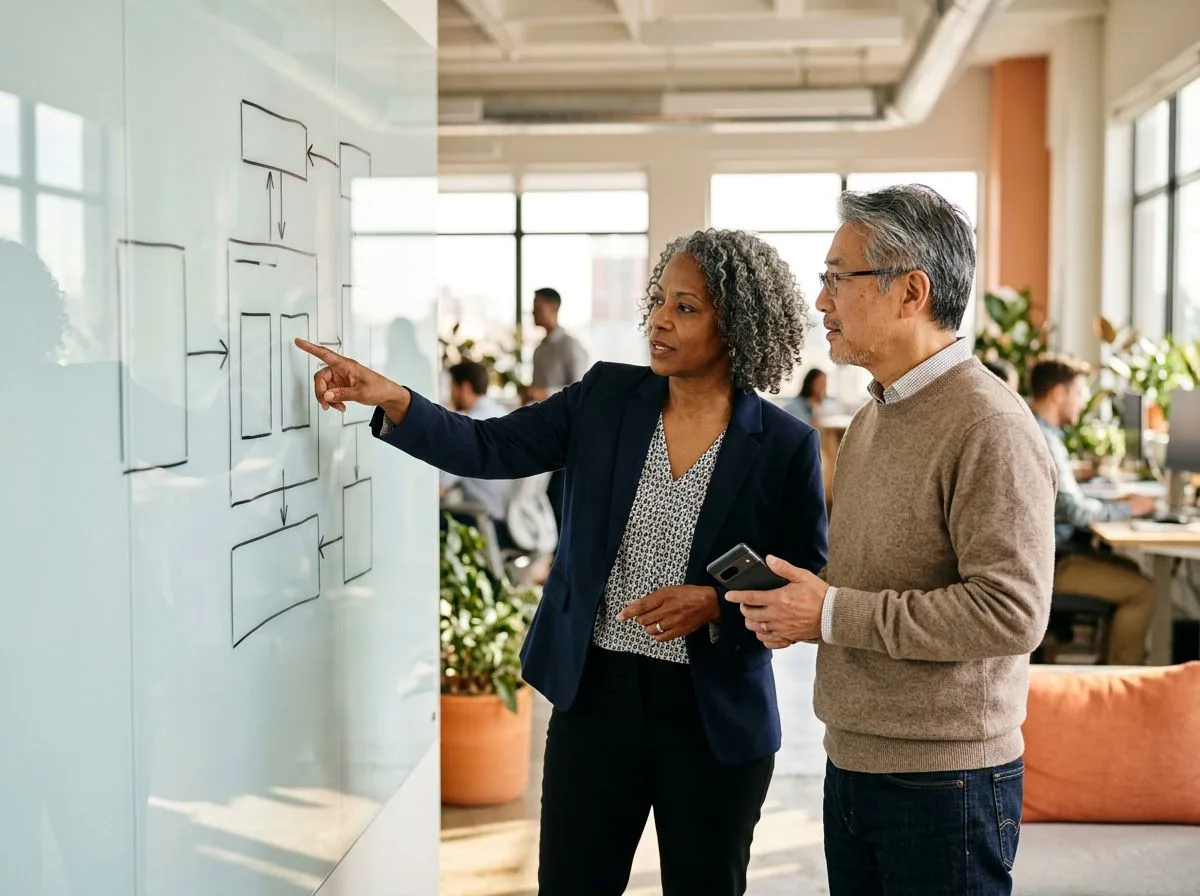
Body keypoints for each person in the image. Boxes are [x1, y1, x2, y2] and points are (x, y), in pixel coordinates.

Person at [296, 228, 828, 896]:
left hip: (712, 714)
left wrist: (713, 602)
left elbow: (801, 580)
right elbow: (486, 448)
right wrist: (394, 398)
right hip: (596, 698)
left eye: (687, 307)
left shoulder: (782, 445)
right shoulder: (604, 399)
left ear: (738, 324)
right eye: (660, 300)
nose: (660, 318)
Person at [725, 185, 1057, 896]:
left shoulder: (988, 425)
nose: (822, 302)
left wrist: (832, 613)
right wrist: (801, 607)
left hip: (946, 781)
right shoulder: (876, 414)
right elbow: (872, 579)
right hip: (855, 760)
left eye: (838, 278)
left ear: (911, 292)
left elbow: (1011, 613)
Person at [1028, 354, 1156, 664]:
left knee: (1130, 570)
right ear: (1058, 393)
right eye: (1079, 392)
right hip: (1055, 563)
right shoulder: (1046, 438)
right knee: (1143, 590)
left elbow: (1063, 497)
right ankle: (1122, 684)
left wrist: (1107, 497)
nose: (1084, 401)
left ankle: (1109, 667)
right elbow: (1075, 511)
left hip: (1050, 554)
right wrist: (1128, 509)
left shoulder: (1036, 428)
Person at [440, 360, 517, 548]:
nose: (450, 395)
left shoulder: (468, 427)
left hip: (491, 524)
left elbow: (439, 487)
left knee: (431, 521)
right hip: (518, 522)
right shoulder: (503, 414)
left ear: (464, 388)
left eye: (451, 388)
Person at [521, 287, 588, 403]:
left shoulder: (570, 345)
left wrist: (543, 393)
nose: (533, 312)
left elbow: (580, 390)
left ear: (553, 308)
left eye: (537, 307)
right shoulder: (539, 349)